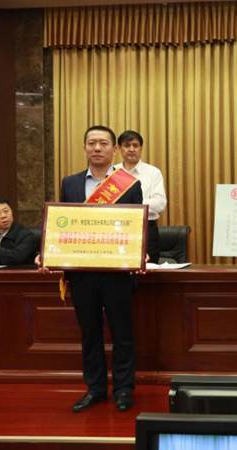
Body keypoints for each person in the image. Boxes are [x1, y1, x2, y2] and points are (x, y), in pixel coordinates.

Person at [59, 125, 143, 412]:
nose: (97, 148)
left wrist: (138, 254)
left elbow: (135, 226)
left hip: (116, 271)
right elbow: (63, 224)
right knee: (90, 333)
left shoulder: (128, 184)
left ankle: (123, 388)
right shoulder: (69, 183)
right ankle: (95, 388)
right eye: (92, 143)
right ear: (84, 147)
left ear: (114, 149)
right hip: (82, 272)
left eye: (103, 143)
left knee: (122, 333)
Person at [116, 130, 167, 263]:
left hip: (146, 229)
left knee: (147, 270)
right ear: (119, 148)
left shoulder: (153, 172)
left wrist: (129, 202)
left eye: (135, 145)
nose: (131, 149)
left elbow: (160, 204)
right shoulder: (112, 172)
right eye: (127, 146)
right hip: (117, 229)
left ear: (141, 148)